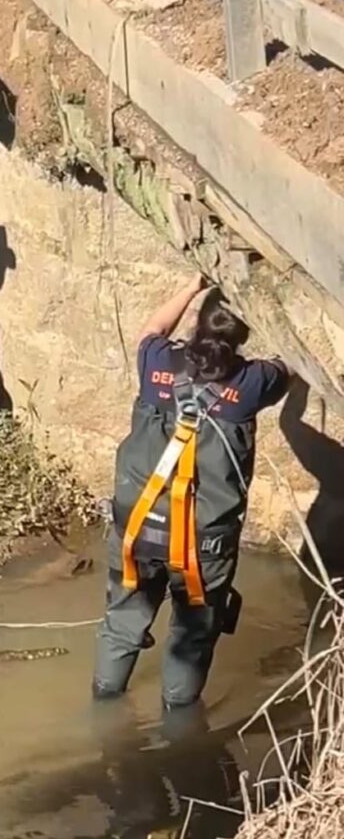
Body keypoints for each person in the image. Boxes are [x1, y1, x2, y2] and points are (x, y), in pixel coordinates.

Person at [92, 274, 291, 708]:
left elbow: (152, 328)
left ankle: (104, 711)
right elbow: (286, 365)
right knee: (193, 635)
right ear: (241, 335)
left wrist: (189, 286)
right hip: (204, 544)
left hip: (136, 531)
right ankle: (180, 730)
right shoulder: (251, 383)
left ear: (198, 322)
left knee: (121, 623)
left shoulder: (156, 361)